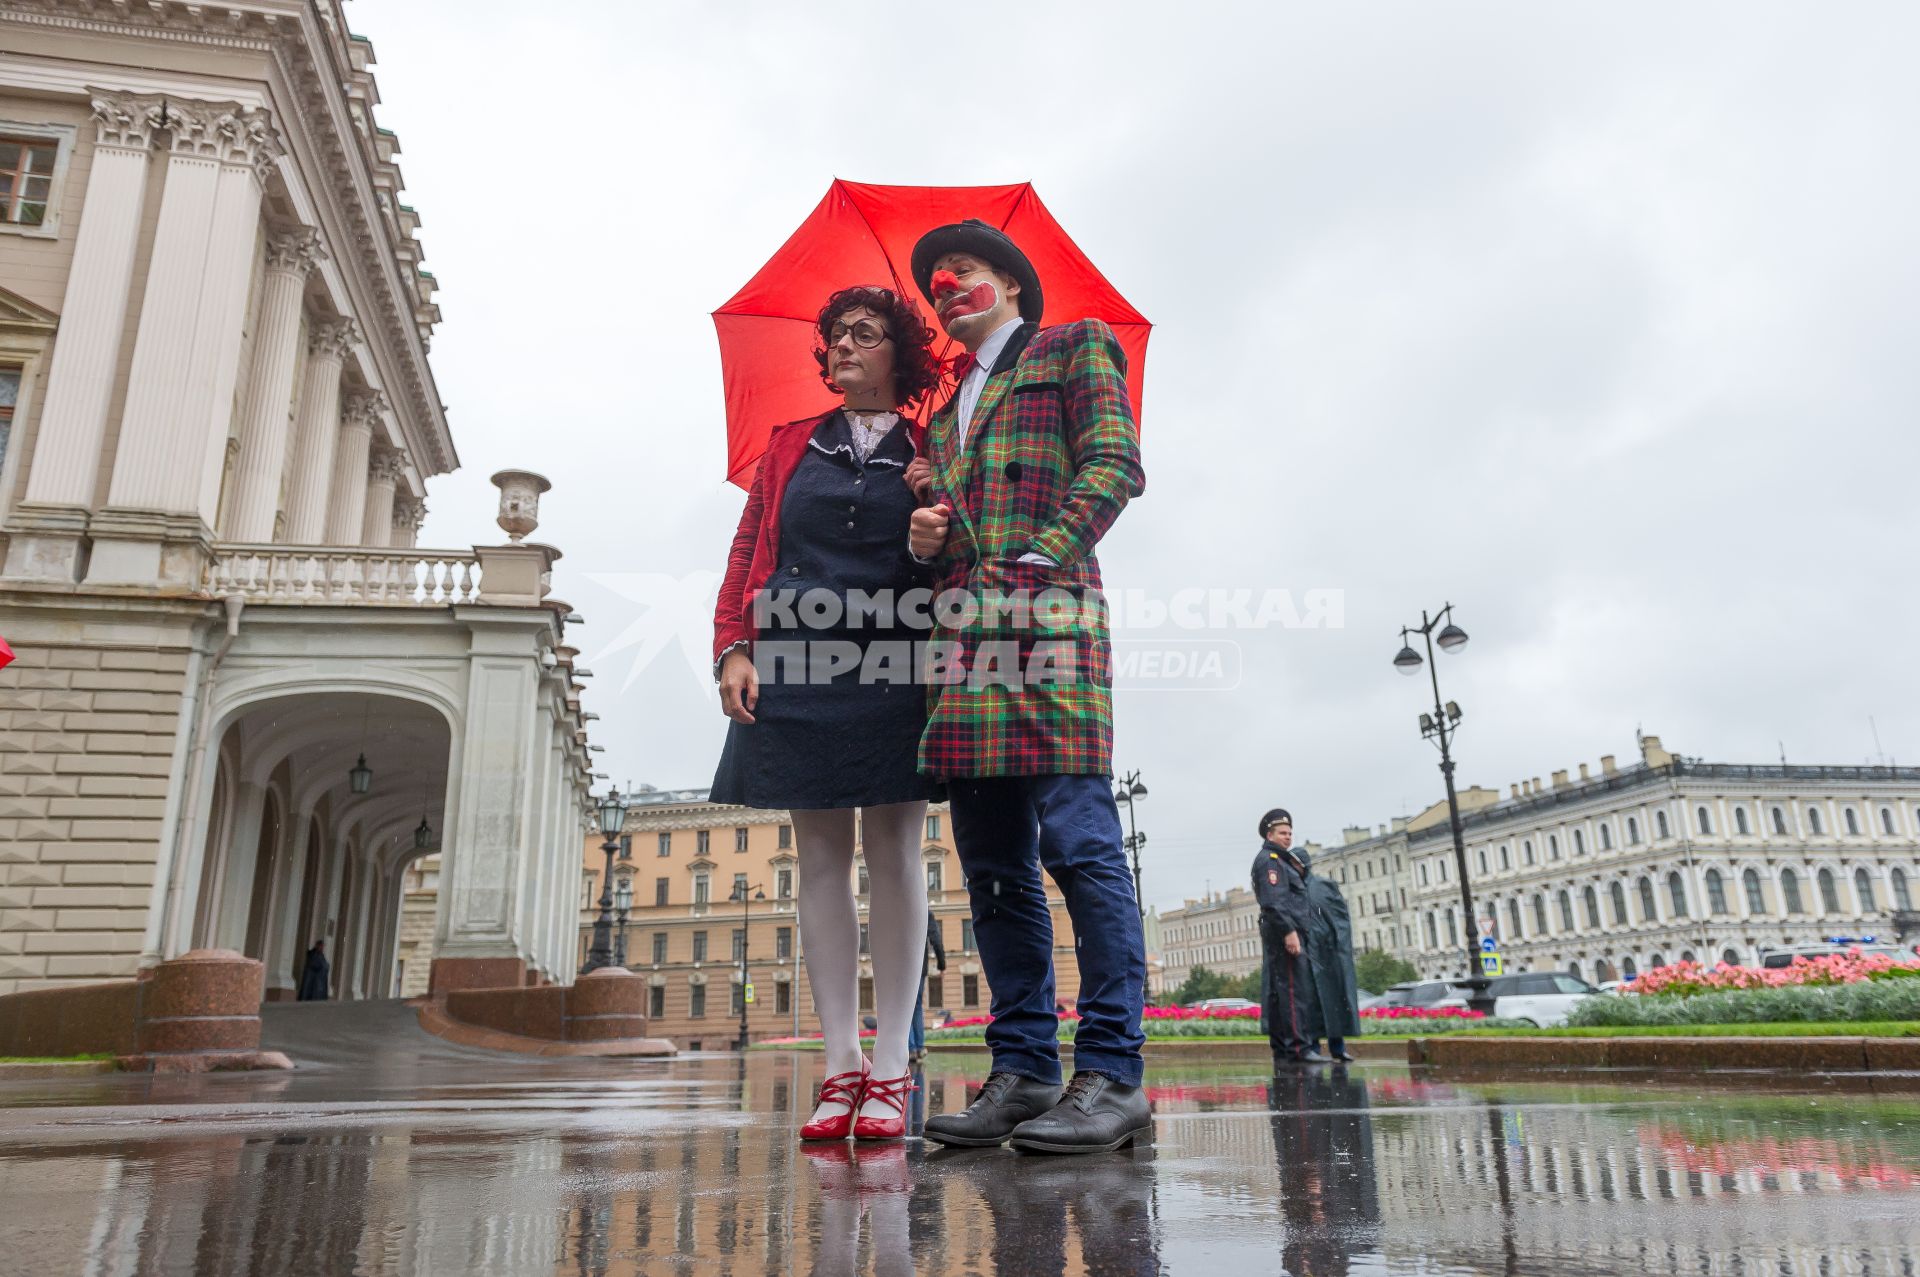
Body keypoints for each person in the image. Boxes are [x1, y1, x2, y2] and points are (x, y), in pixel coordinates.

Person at [904, 219, 1150, 1155]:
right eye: (933, 285)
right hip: (965, 641)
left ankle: (1113, 1075)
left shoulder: (1073, 346)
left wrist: (1040, 557)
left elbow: (1115, 464)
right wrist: (926, 536)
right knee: (994, 863)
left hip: (1047, 621)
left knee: (1082, 847)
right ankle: (1023, 1070)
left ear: (1007, 280)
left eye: (957, 272)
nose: (943, 290)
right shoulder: (943, 412)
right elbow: (951, 535)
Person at [709, 285, 944, 1142]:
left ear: (899, 354)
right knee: (816, 854)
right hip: (797, 660)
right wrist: (732, 646)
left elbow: (963, 553)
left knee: (895, 851)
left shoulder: (935, 445)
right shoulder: (787, 446)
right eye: (835, 333)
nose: (844, 344)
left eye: (865, 332)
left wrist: (939, 516)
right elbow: (748, 552)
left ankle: (890, 1068)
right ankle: (840, 1061)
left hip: (897, 659)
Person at [1254, 809, 1324, 1065]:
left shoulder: (1281, 860)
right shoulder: (1271, 861)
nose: (1288, 837)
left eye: (1290, 833)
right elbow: (1274, 902)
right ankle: (1298, 1048)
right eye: (1283, 833)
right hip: (1285, 933)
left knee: (1282, 991)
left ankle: (1285, 1048)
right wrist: (1290, 932)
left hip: (1284, 932)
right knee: (1293, 991)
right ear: (1270, 834)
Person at [1298, 843, 1362, 1062]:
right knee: (1312, 1003)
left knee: (1333, 1000)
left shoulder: (1324, 886)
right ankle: (1313, 1047)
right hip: (1305, 955)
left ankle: (1337, 1046)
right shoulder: (1291, 889)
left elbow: (1339, 917)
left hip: (1328, 955)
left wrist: (1337, 945)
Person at [906, 909, 946, 1064]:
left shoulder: (896, 909)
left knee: (905, 1007)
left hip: (899, 966)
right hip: (918, 967)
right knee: (916, 1006)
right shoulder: (923, 911)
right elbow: (935, 938)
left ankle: (911, 1049)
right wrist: (942, 964)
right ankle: (920, 1047)